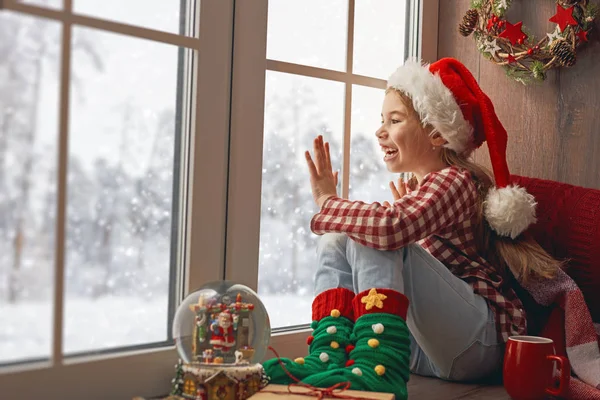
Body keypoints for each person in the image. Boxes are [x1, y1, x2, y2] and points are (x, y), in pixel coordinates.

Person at [262, 58, 565, 399]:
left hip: (481, 345)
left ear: (437, 134)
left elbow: (389, 228)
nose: (380, 131)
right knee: (340, 234)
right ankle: (329, 354)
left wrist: (328, 202)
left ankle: (379, 363)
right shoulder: (424, 193)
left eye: (394, 120)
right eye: (382, 120)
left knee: (373, 233)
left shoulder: (455, 181)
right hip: (429, 352)